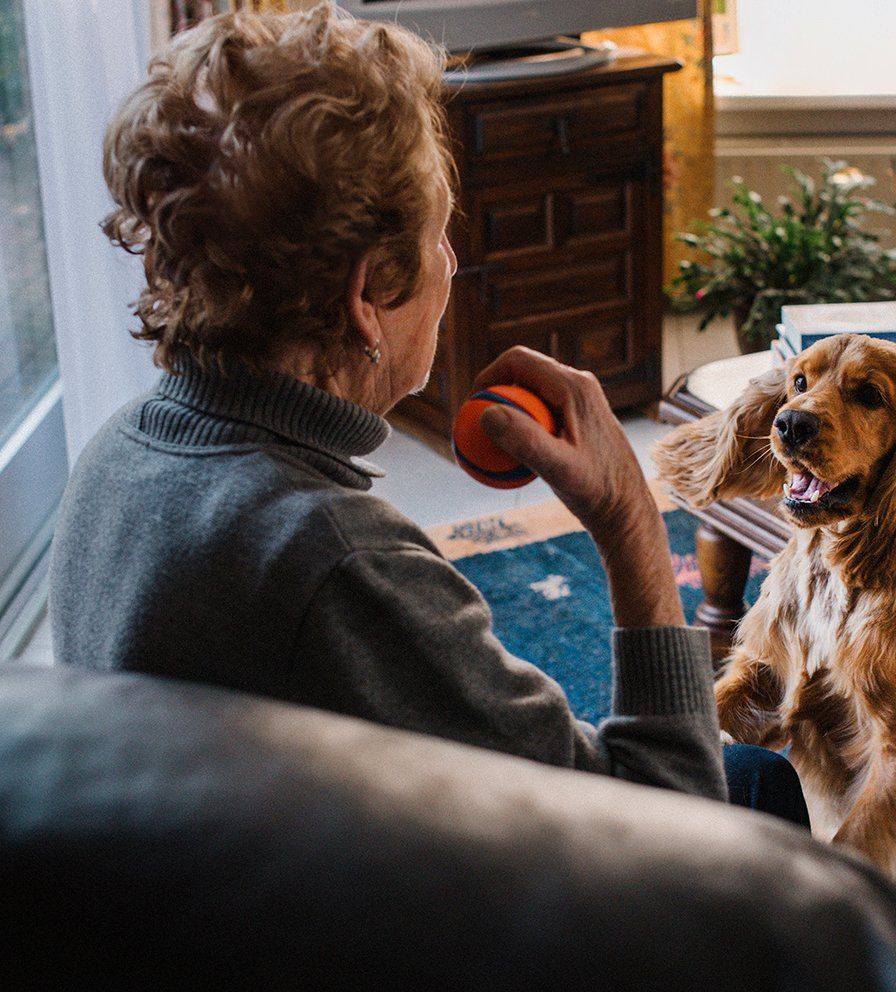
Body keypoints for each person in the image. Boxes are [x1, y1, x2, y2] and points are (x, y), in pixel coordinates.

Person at [50, 5, 807, 826]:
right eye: (443, 235)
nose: (450, 263)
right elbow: (669, 824)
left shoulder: (113, 453)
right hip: (358, 941)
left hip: (212, 893)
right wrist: (629, 520)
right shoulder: (345, 567)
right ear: (370, 292)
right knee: (752, 793)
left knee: (754, 771)